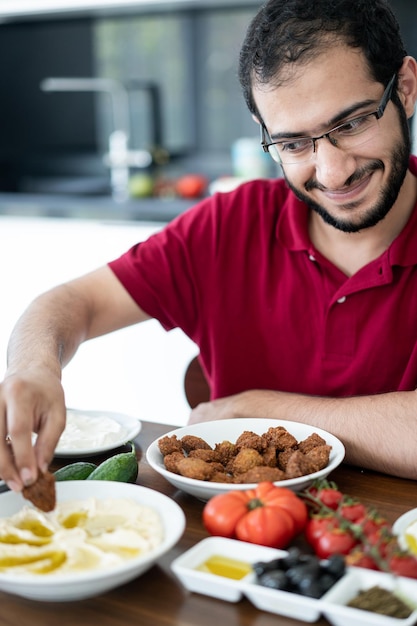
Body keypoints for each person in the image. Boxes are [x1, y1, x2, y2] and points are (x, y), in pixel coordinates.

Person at [1, 0, 417, 491]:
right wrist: (34, 369)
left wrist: (256, 408)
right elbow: (71, 303)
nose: (332, 171)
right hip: (222, 543)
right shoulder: (226, 226)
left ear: (405, 88)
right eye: (292, 144)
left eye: (350, 124)